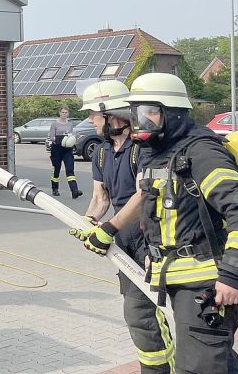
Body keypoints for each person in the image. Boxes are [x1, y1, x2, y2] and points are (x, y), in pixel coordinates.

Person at [76, 73, 238, 374]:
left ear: (172, 112)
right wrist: (155, 257)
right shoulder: (158, 154)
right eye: (137, 113)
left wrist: (231, 277)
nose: (140, 122)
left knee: (198, 367)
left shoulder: (202, 152)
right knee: (216, 363)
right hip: (178, 278)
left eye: (148, 113)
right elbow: (157, 215)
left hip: (206, 282)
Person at [71, 81, 174, 372]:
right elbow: (100, 198)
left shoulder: (142, 149)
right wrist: (88, 222)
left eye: (93, 114)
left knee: (140, 313)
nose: (90, 120)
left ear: (113, 114)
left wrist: (109, 228)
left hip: (149, 238)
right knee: (141, 313)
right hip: (124, 241)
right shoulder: (102, 152)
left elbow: (144, 196)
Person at [47, 106, 81, 198]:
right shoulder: (54, 124)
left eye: (66, 112)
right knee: (56, 169)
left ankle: (74, 191)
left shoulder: (69, 124)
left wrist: (73, 137)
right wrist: (60, 138)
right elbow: (51, 137)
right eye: (63, 112)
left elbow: (71, 135)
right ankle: (55, 188)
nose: (64, 114)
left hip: (67, 149)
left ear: (68, 114)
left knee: (70, 169)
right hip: (57, 149)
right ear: (59, 113)